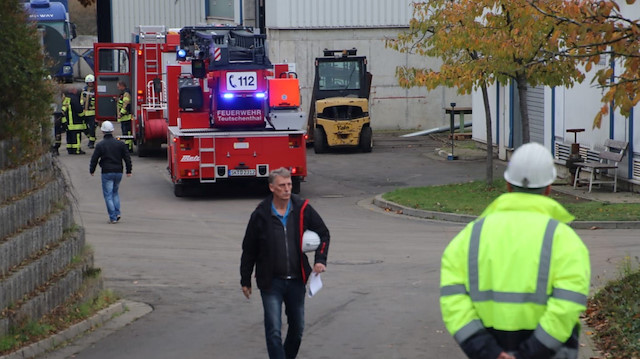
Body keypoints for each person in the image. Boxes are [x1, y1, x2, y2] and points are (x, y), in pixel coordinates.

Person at [440, 142, 590, 359]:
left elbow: (453, 301)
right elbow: (567, 306)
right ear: (549, 189)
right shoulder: (566, 241)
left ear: (508, 184)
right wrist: (530, 353)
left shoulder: (469, 237)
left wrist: (489, 352)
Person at [240, 167, 330, 359]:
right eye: (282, 185)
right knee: (273, 329)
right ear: (272, 187)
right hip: (271, 281)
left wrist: (320, 260)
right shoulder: (261, 214)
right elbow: (249, 249)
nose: (287, 189)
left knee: (297, 329)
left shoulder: (303, 208)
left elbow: (324, 234)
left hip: (297, 280)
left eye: (289, 184)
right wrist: (245, 279)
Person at [89, 121, 132, 224]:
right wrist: (129, 170)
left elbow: (94, 158)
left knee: (108, 195)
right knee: (115, 193)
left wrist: (92, 170)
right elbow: (127, 158)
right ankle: (117, 213)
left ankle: (113, 217)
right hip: (118, 172)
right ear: (112, 130)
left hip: (106, 172)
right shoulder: (120, 144)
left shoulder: (100, 145)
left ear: (103, 131)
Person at [61, 86, 86, 155]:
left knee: (69, 136)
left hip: (68, 123)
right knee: (77, 136)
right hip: (76, 122)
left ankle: (70, 149)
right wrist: (83, 117)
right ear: (73, 91)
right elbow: (79, 110)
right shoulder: (74, 99)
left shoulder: (66, 99)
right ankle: (77, 150)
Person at [116, 81, 134, 153]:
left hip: (126, 117)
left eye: (118, 86)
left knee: (127, 134)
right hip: (125, 117)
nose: (118, 88)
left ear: (122, 86)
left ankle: (128, 148)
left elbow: (126, 105)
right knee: (126, 133)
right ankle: (128, 147)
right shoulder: (123, 94)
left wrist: (121, 114)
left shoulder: (126, 94)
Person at [80, 74, 97, 149]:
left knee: (92, 127)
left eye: (91, 82)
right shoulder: (84, 90)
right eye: (89, 82)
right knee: (83, 127)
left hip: (92, 112)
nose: (90, 84)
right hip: (85, 111)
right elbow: (81, 98)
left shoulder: (95, 90)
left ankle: (91, 142)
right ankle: (90, 137)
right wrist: (81, 104)